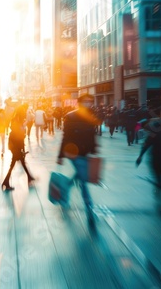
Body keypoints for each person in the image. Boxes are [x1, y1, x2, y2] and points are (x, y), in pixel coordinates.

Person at [57, 94, 100, 225]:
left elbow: (92, 135)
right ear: (80, 103)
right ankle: (89, 208)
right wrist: (60, 156)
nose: (88, 104)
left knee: (79, 175)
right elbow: (65, 137)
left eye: (90, 102)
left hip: (85, 153)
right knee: (83, 181)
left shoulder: (90, 117)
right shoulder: (70, 116)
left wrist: (94, 150)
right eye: (86, 102)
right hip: (73, 154)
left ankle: (64, 190)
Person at [2, 106, 35, 191]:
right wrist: (23, 126)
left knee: (19, 163)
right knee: (16, 164)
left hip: (15, 145)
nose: (24, 114)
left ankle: (29, 177)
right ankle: (6, 181)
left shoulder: (16, 120)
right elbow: (18, 134)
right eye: (23, 113)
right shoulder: (17, 121)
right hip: (15, 146)